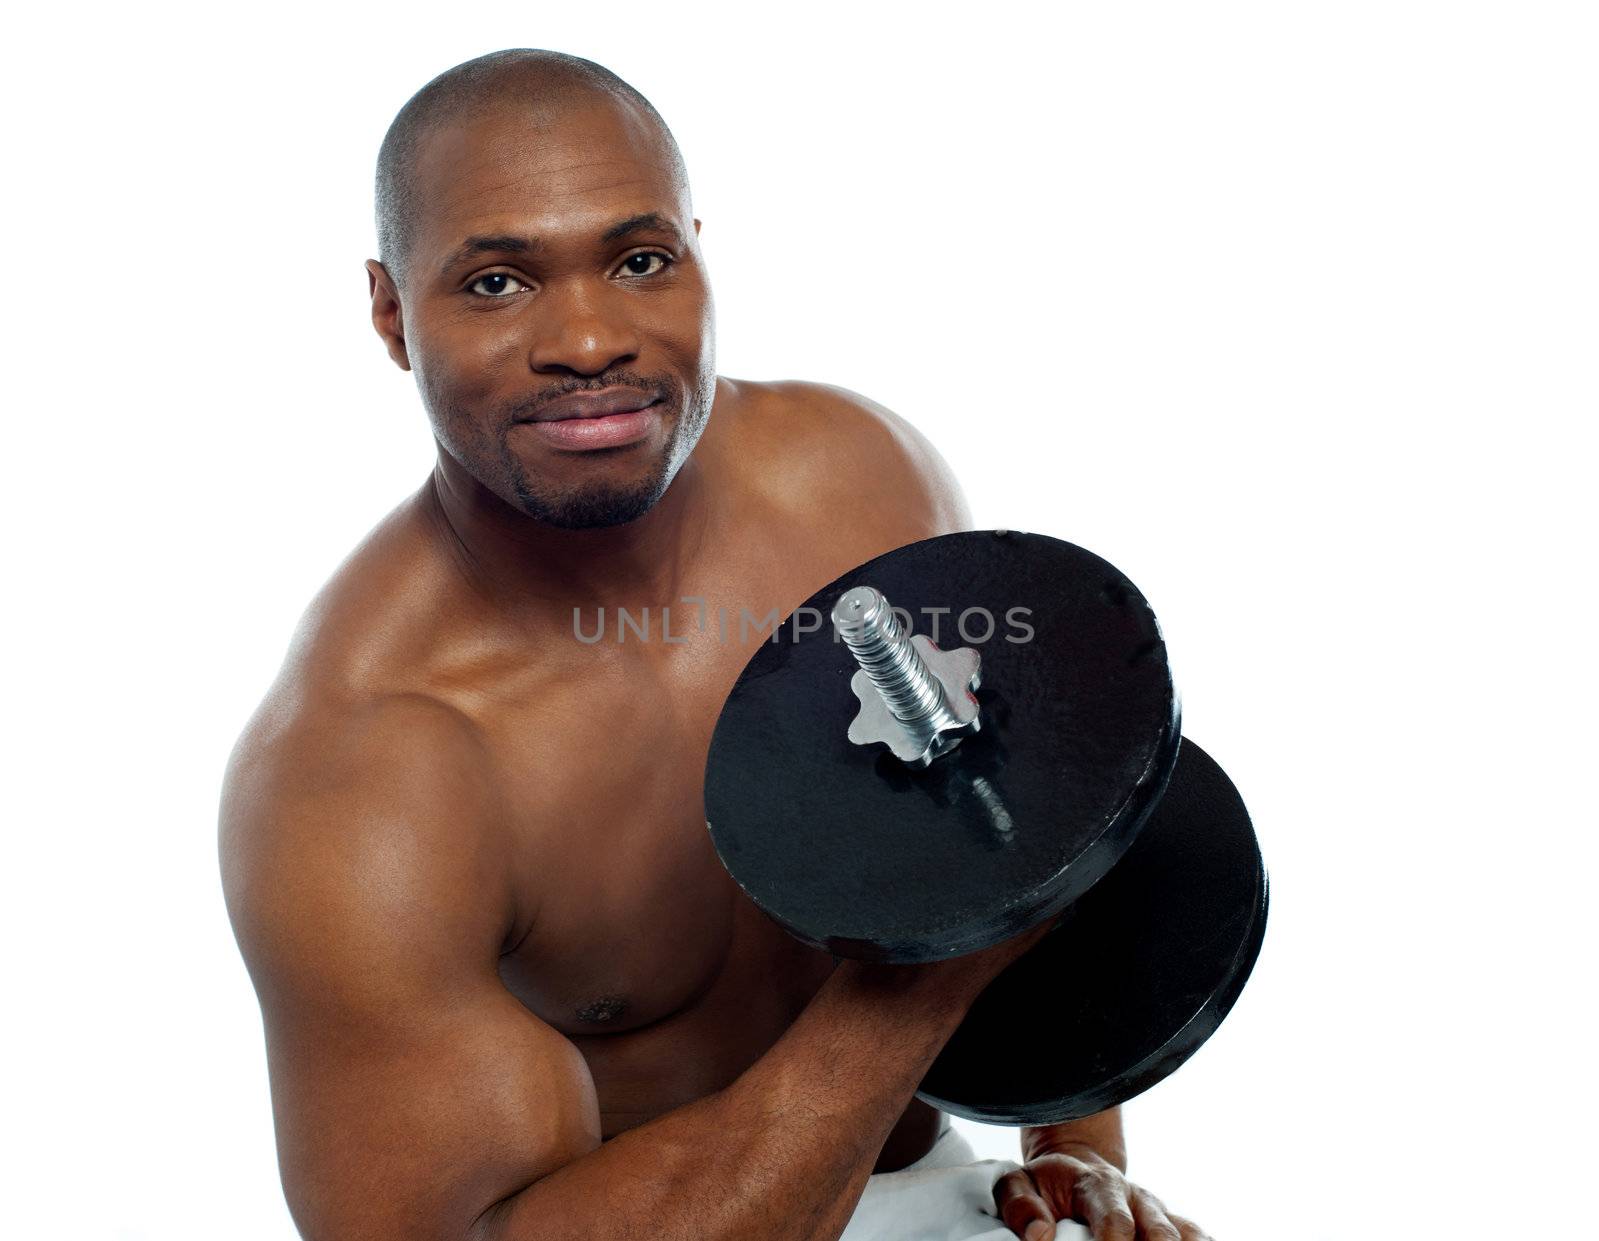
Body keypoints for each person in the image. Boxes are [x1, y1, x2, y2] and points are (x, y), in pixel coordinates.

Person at [219, 48, 1210, 1241]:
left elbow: (1027, 826)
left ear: (696, 248)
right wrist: (922, 986)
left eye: (639, 261)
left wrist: (1069, 1143)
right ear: (390, 311)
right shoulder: (366, 769)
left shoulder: (859, 477)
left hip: (928, 1175)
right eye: (495, 282)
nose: (588, 338)